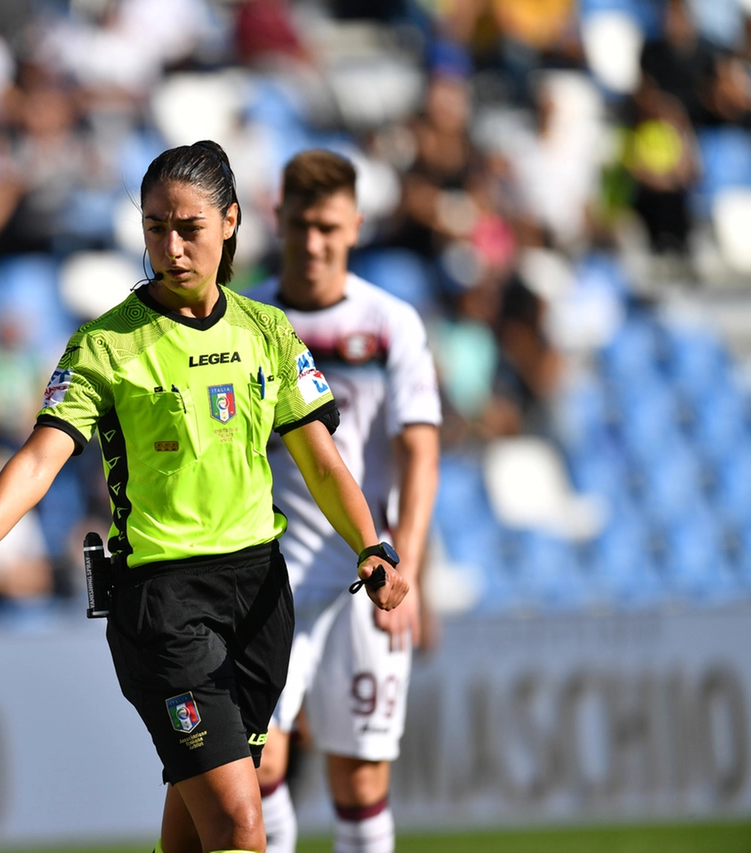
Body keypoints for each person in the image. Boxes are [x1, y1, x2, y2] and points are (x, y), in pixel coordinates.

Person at [0, 140, 407, 853]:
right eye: (154, 227)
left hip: (260, 594)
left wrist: (373, 547)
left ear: (230, 222)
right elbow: (42, 457)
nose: (170, 246)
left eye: (188, 226)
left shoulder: (267, 331)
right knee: (239, 822)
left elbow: (323, 461)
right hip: (163, 606)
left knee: (195, 830)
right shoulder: (106, 344)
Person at [245, 150, 441, 853]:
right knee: (256, 762)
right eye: (300, 224)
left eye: (328, 225)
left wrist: (408, 568)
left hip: (368, 568)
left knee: (359, 782)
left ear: (355, 225)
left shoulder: (391, 323)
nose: (313, 242)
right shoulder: (248, 319)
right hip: (273, 574)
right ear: (279, 221)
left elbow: (419, 450)